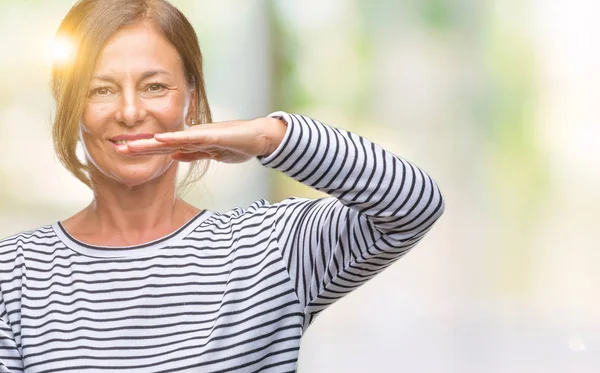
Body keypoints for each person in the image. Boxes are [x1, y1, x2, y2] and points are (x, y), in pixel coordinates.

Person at [0, 0, 445, 371]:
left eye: (155, 86)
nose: (130, 112)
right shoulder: (13, 274)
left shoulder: (271, 248)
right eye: (102, 90)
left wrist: (269, 137)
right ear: (68, 102)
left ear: (191, 95)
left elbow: (413, 203)